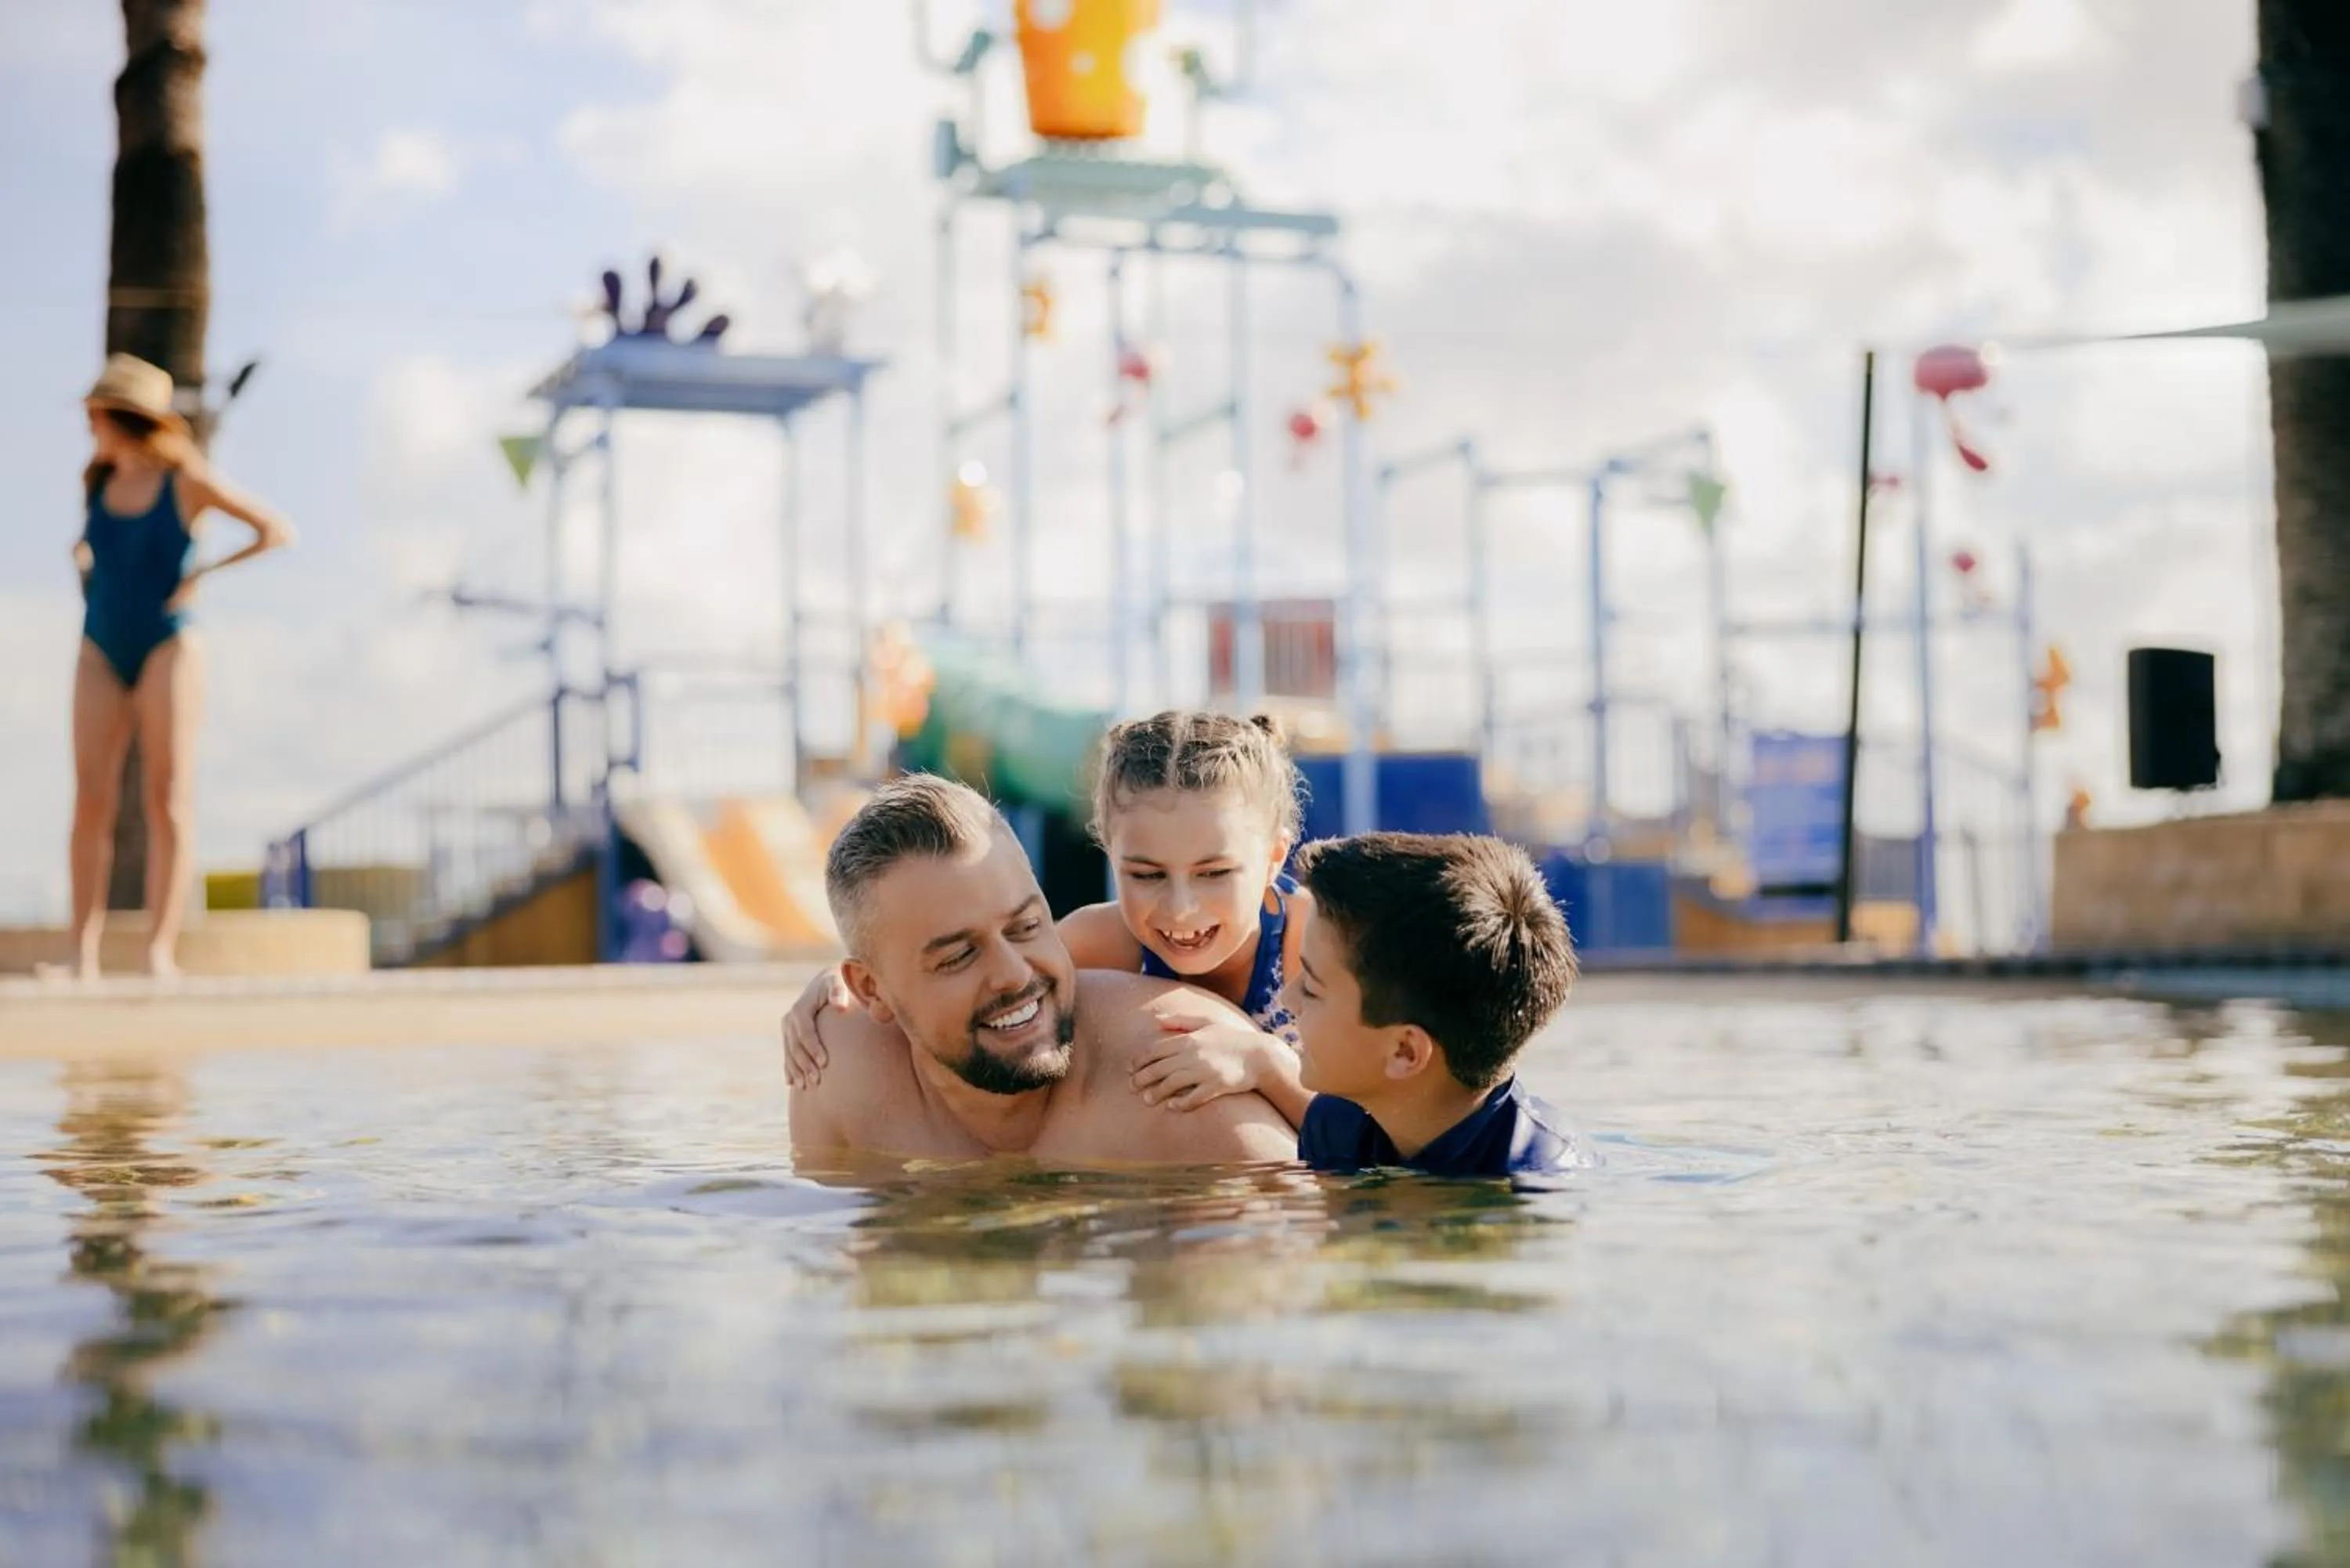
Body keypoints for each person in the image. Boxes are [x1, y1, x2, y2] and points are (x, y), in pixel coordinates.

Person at [786, 711, 1313, 1125]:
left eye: (1214, 872)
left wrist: (1267, 1063)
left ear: (1273, 857)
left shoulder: (1318, 945)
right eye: (1147, 876)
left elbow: (1385, 1129)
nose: (1180, 908)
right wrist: (840, 989)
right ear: (1109, 853)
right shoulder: (1099, 941)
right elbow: (975, 982)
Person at [69, 354, 295, 979]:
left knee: (168, 798)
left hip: (169, 644)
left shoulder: (186, 478)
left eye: (96, 412)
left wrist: (203, 573)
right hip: (99, 645)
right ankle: (79, 954)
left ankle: (157, 952)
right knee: (91, 799)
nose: (88, 421)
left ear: (124, 417)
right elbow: (100, 548)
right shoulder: (96, 478)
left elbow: (275, 530)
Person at [1283, 832, 1589, 1180]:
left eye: (1309, 988)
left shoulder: (1534, 1178)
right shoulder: (1335, 1127)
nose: (1286, 999)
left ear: (1405, 1051)